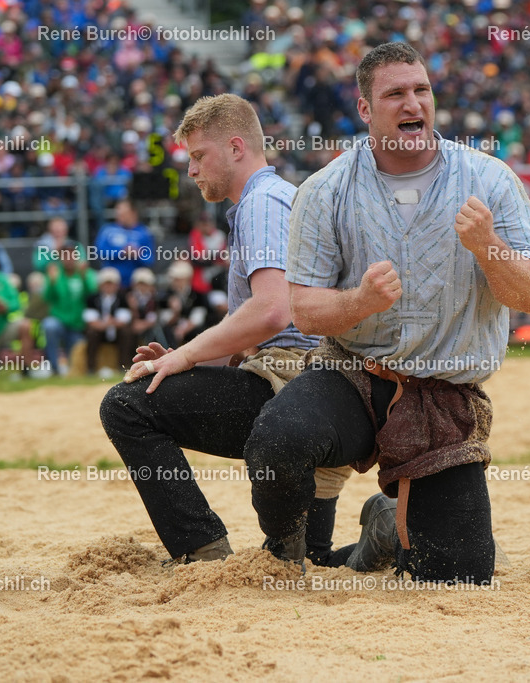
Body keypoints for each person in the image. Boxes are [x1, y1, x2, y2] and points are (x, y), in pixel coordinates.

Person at [238, 43, 530, 581]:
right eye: (395, 93)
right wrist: (361, 302)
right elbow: (306, 312)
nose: (413, 104)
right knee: (276, 440)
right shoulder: (325, 189)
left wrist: (487, 246)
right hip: (353, 374)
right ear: (365, 109)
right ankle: (286, 556)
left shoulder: (490, 179)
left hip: (445, 396)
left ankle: (378, 534)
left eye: (421, 90)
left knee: (457, 580)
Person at [101, 93, 343, 567]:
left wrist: (185, 358)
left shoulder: (261, 203)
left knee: (126, 406)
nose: (191, 171)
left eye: (197, 156)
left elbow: (272, 312)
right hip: (319, 390)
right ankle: (381, 540)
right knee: (304, 563)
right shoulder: (283, 197)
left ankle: (201, 548)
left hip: (287, 383)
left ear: (236, 147)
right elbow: (263, 323)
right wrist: (185, 355)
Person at [42, 244, 97, 376]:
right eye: (65, 255)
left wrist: (84, 279)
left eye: (72, 255)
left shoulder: (85, 273)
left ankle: (74, 369)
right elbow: (46, 298)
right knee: (49, 326)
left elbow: (93, 295)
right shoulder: (55, 273)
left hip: (77, 325)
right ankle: (54, 368)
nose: (69, 259)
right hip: (59, 321)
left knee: (76, 358)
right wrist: (51, 282)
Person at [83, 267, 136, 376]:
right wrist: (107, 323)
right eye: (106, 284)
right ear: (100, 285)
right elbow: (90, 320)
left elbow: (123, 321)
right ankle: (91, 368)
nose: (108, 287)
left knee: (127, 333)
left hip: (116, 331)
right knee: (91, 332)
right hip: (101, 331)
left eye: (111, 284)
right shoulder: (92, 298)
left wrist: (108, 323)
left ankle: (124, 366)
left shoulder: (122, 298)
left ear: (116, 285)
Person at [94, 199, 155, 286]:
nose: (119, 215)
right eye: (118, 212)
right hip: (112, 276)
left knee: (143, 275)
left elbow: (150, 260)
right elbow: (99, 252)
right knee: (108, 274)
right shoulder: (108, 230)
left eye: (123, 213)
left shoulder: (144, 233)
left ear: (133, 213)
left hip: (135, 278)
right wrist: (122, 252)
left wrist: (137, 255)